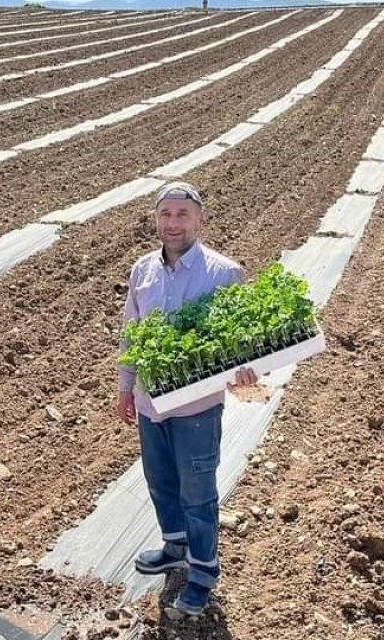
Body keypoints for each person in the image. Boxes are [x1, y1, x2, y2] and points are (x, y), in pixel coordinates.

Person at [117, 182, 257, 617]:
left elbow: (246, 340)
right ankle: (175, 548)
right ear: (156, 219)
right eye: (166, 215)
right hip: (149, 405)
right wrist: (126, 385)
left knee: (198, 492)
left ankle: (202, 573)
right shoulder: (143, 270)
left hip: (197, 410)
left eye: (182, 215)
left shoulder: (224, 273)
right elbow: (130, 330)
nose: (172, 224)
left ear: (200, 220)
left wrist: (247, 369)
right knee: (161, 484)